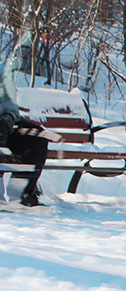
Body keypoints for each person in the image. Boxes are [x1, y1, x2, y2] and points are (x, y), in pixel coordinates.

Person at [1, 32, 49, 207]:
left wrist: (7, 118)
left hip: (5, 127)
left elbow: (10, 103)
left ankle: (21, 193)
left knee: (37, 137)